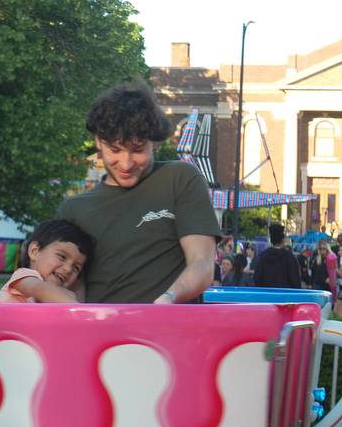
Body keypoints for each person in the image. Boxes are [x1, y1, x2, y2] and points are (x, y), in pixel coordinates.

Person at [57, 82, 222, 303]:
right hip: (102, 333)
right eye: (115, 149)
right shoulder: (73, 210)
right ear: (98, 141)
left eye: (137, 150)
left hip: (169, 331)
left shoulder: (181, 178)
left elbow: (201, 263)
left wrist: (168, 298)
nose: (126, 164)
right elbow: (61, 284)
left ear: (155, 142)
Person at [0, 219, 95, 303]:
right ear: (35, 251)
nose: (68, 269)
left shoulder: (50, 298)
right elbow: (40, 289)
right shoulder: (23, 276)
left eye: (76, 268)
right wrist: (77, 306)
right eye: (62, 257)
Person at [253, 223, 301, 289]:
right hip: (285, 296)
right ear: (283, 239)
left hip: (267, 296)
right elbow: (295, 281)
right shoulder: (289, 257)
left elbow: (257, 279)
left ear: (271, 239)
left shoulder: (263, 256)